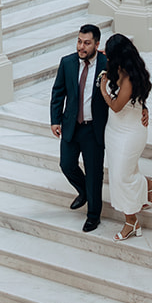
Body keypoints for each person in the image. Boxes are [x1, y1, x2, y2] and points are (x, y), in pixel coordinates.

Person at [98, 33, 152, 243]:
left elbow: (116, 106)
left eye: (109, 52)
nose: (106, 56)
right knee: (119, 173)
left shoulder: (131, 77)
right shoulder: (118, 68)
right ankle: (148, 185)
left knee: (122, 177)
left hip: (130, 133)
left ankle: (131, 221)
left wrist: (103, 90)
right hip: (113, 131)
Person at [50, 23, 108, 233]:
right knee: (66, 165)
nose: (81, 47)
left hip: (94, 129)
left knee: (94, 173)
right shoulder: (67, 63)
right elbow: (58, 92)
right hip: (71, 125)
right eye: (79, 41)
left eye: (86, 43)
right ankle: (84, 191)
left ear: (97, 44)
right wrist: (55, 120)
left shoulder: (106, 64)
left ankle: (93, 216)